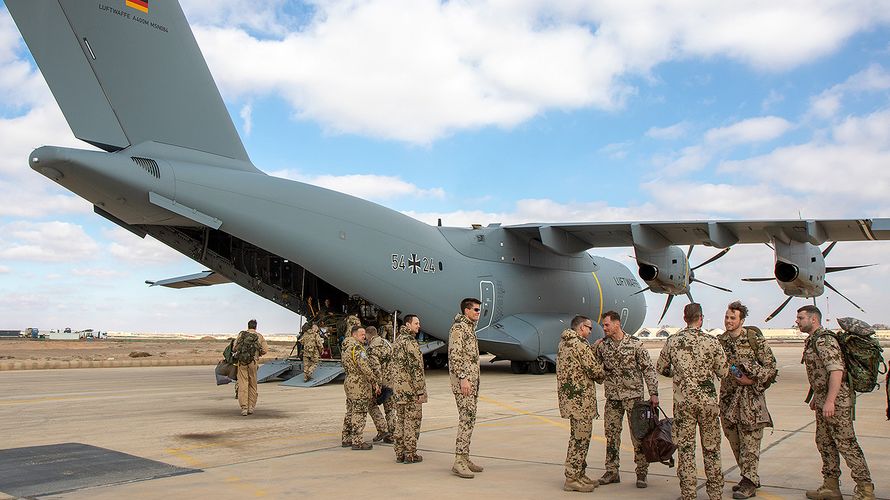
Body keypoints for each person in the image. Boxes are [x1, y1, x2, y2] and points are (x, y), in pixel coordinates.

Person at [798, 305, 874, 500]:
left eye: (801, 318)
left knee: (846, 444)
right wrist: (818, 397)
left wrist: (830, 400)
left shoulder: (824, 340)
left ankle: (865, 489)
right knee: (825, 442)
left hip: (837, 401)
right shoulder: (813, 340)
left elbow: (836, 370)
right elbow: (820, 373)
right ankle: (831, 487)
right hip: (825, 399)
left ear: (813, 319)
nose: (797, 321)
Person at [657, 303, 728, 500]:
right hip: (708, 404)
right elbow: (723, 372)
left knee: (686, 449)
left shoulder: (673, 341)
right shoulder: (712, 342)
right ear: (701, 318)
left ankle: (688, 493)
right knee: (712, 449)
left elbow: (661, 367)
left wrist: (678, 374)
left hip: (684, 404)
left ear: (685, 318)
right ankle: (715, 493)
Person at [717, 301, 777, 499]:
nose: (728, 321)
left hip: (750, 398)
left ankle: (749, 482)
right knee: (733, 439)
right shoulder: (720, 342)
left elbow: (771, 367)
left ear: (741, 320)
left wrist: (751, 381)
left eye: (733, 318)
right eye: (727, 317)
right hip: (727, 398)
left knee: (750, 441)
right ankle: (749, 476)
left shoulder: (754, 340)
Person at [594, 310, 659, 488]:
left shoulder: (636, 345)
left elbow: (648, 369)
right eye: (603, 325)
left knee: (638, 436)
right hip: (613, 398)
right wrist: (594, 347)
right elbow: (595, 367)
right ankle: (612, 471)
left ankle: (642, 473)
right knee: (612, 435)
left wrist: (654, 393)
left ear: (617, 324)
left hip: (634, 398)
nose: (604, 328)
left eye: (607, 324)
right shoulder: (602, 346)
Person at [557, 315, 605, 493]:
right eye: (589, 328)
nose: (591, 331)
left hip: (571, 400)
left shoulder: (565, 343)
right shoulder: (580, 344)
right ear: (580, 328)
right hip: (581, 401)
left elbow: (576, 364)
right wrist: (604, 371)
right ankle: (572, 478)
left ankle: (579, 474)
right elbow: (594, 370)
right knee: (580, 440)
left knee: (577, 437)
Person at [449, 297, 484, 479]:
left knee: (469, 420)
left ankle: (465, 457)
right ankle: (459, 461)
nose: (479, 312)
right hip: (464, 384)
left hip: (471, 383)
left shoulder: (469, 328)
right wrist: (463, 378)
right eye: (476, 310)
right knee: (466, 419)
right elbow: (455, 356)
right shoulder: (459, 329)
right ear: (467, 311)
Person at [391, 314, 427, 463]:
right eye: (416, 323)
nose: (419, 326)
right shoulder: (410, 342)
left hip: (398, 390)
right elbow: (416, 368)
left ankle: (399, 453)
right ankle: (410, 453)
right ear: (408, 325)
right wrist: (420, 391)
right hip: (410, 390)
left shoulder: (397, 340)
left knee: (400, 421)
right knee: (412, 422)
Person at [340, 325, 378, 450]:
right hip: (359, 383)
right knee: (360, 412)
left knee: (350, 411)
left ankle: (346, 438)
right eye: (362, 335)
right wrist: (374, 381)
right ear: (354, 335)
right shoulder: (357, 349)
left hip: (349, 381)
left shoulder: (346, 347)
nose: (364, 337)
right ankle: (357, 441)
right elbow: (365, 368)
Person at [233, 319, 269, 416]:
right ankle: (251, 407)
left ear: (248, 326)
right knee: (253, 384)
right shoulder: (259, 336)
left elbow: (234, 348)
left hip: (242, 363)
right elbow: (265, 350)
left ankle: (244, 408)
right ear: (256, 327)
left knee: (243, 384)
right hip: (253, 362)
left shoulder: (242, 334)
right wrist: (258, 354)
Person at [366, 325, 396, 443]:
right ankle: (392, 434)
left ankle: (382, 429)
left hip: (382, 382)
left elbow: (376, 368)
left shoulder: (372, 348)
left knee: (371, 404)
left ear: (369, 335)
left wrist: (377, 385)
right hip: (392, 381)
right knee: (390, 409)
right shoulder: (387, 343)